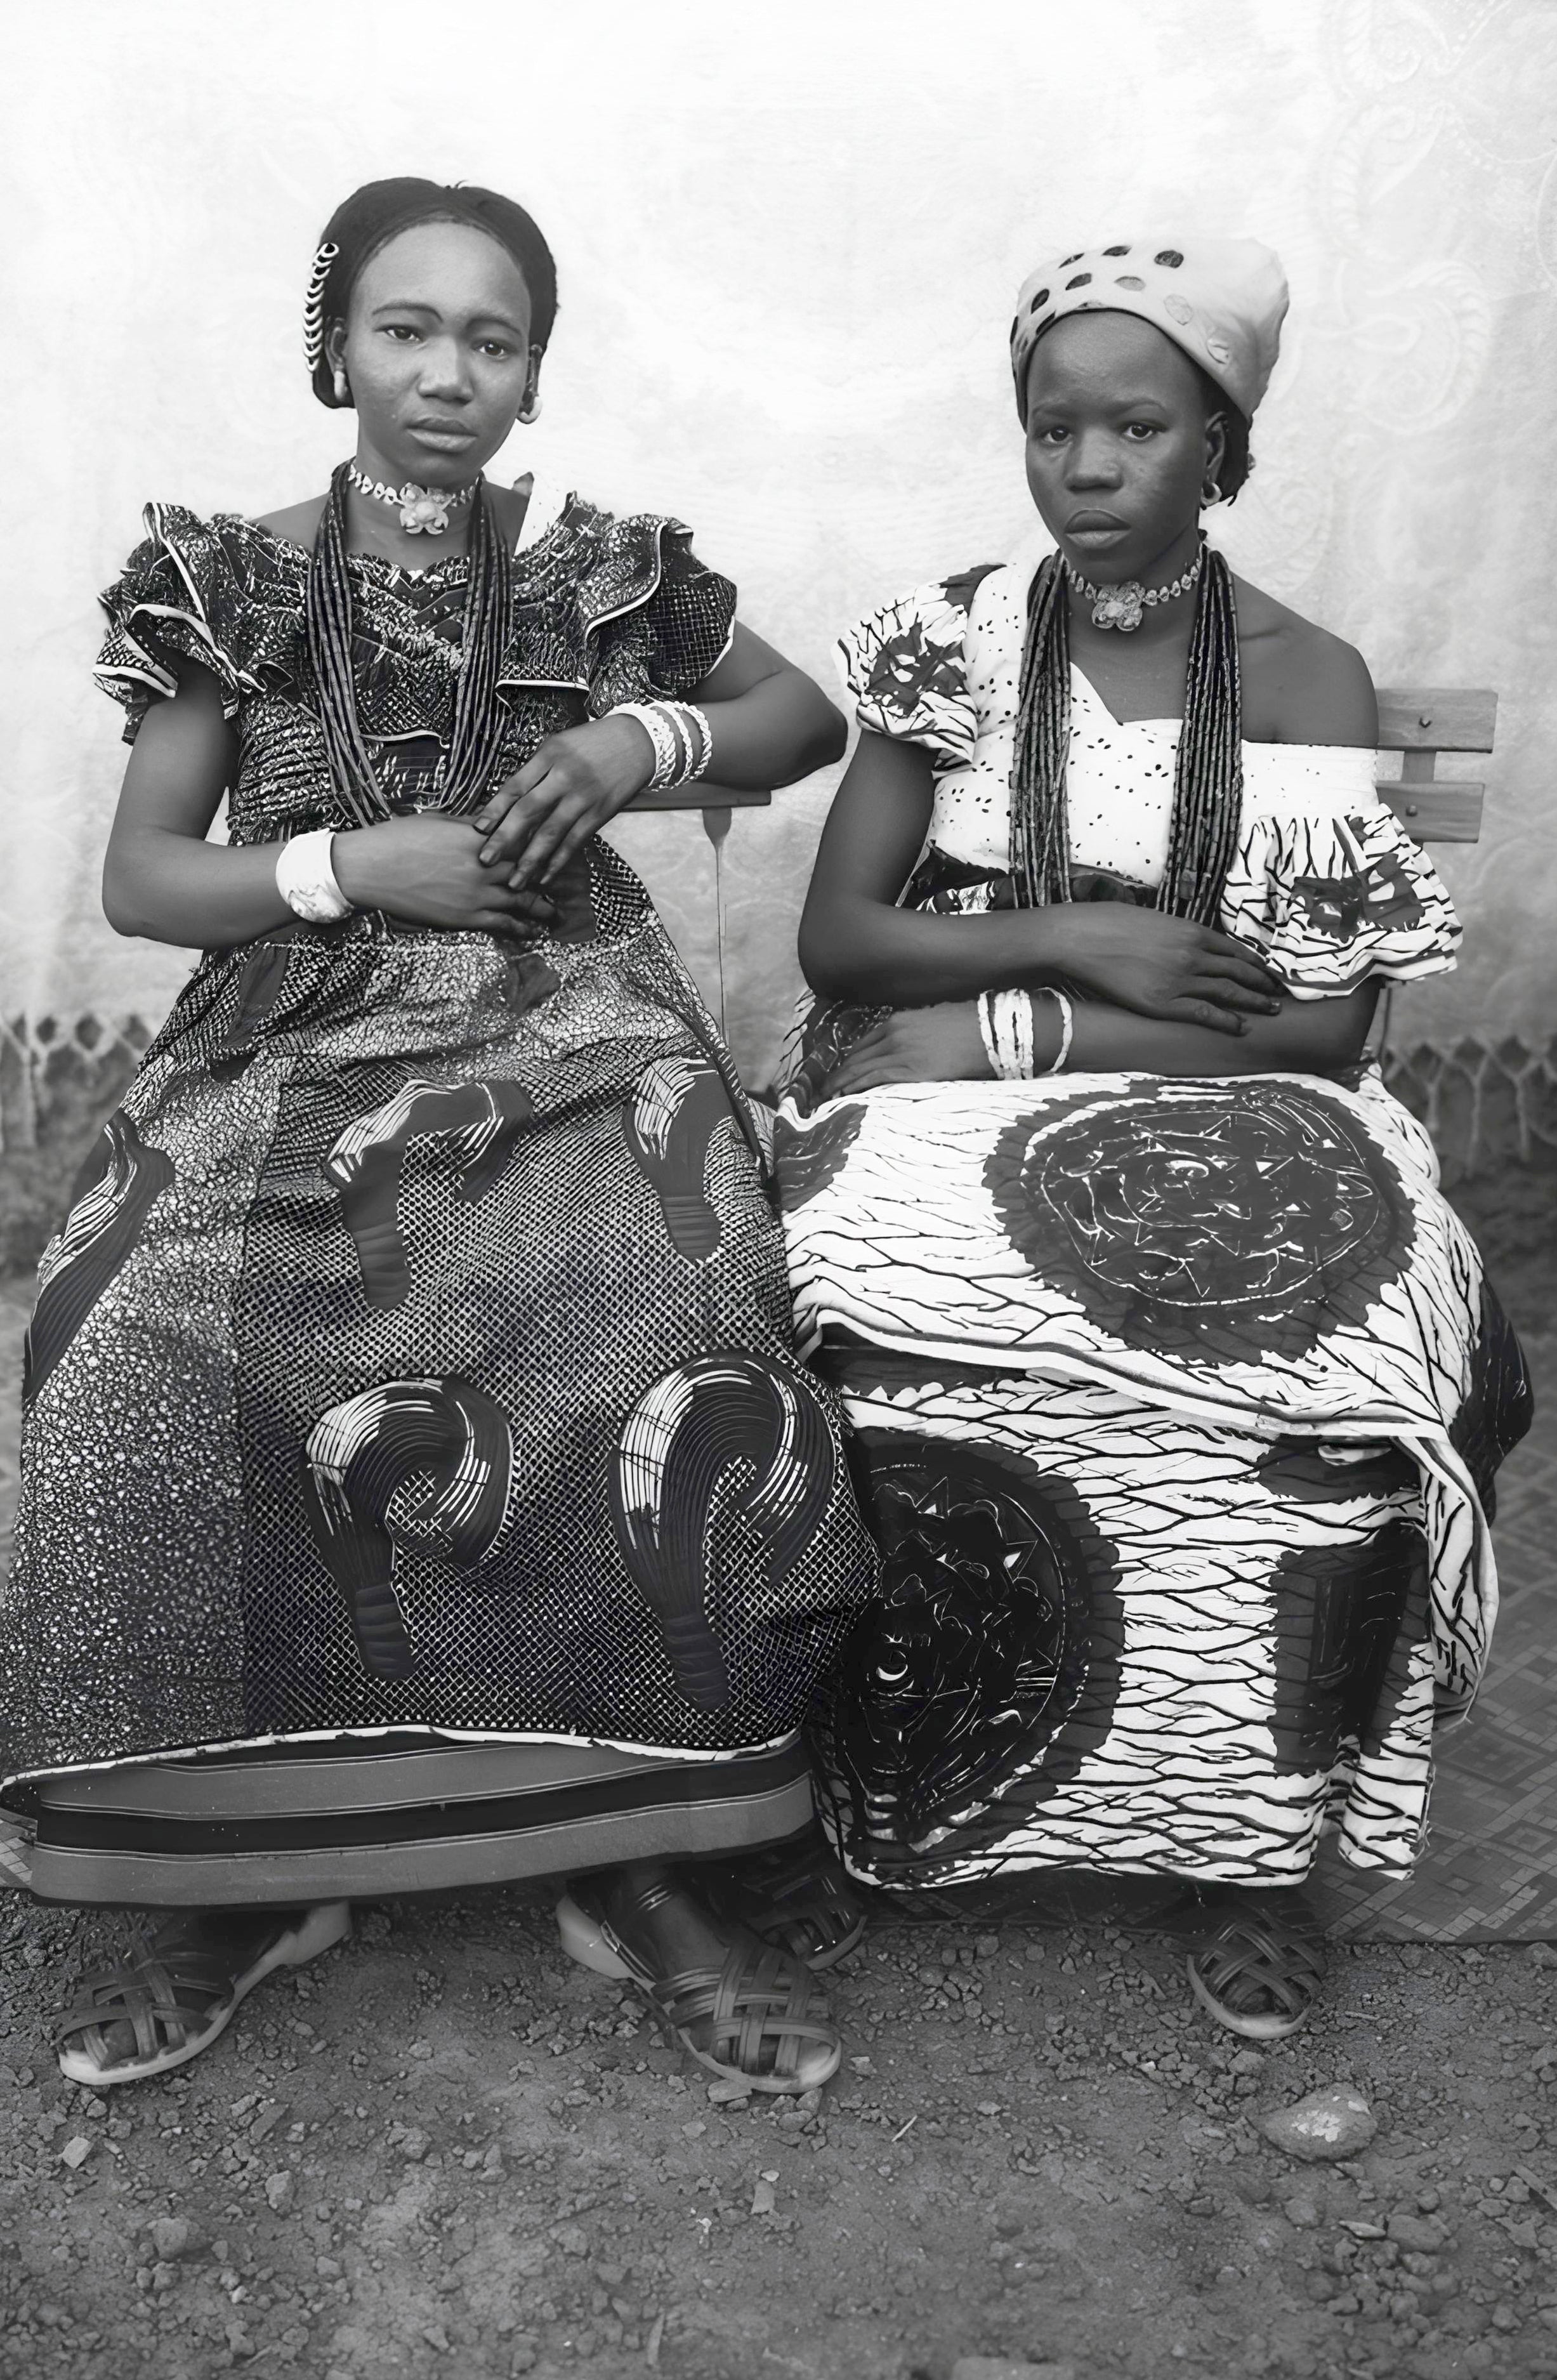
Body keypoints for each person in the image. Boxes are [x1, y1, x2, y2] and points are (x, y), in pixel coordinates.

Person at [0, 177, 877, 2094]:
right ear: (338, 352)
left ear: (534, 375)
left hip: (575, 1012)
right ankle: (239, 1872)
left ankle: (642, 1859)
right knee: (126, 1328)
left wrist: (639, 742)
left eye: (494, 339)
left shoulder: (595, 572)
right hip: (293, 1025)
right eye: (407, 329)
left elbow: (802, 722)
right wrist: (346, 865)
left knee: (676, 1296)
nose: (448, 372)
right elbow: (147, 878)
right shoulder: (229, 582)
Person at [775, 238, 1532, 2037]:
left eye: (1139, 429)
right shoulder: (954, 640)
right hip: (930, 1084)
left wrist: (1025, 1021)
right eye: (1056, 431)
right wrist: (1064, 936)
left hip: (1229, 1092)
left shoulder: (1302, 675)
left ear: (1223, 449)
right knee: (862, 1307)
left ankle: (1249, 1846)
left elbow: (1322, 1024)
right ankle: (898, 1786)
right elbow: (843, 943)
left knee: (1347, 1348)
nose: (1090, 468)